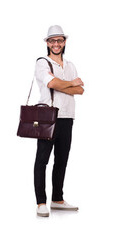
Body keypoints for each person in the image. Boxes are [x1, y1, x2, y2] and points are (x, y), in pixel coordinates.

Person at [33, 25, 84, 217]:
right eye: (52, 41)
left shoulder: (70, 65)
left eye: (59, 40)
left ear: (64, 42)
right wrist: (71, 83)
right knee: (42, 160)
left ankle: (57, 199)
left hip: (67, 116)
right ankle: (40, 202)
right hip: (48, 116)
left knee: (62, 159)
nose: (56, 44)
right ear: (47, 43)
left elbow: (81, 90)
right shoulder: (42, 63)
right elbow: (52, 83)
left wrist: (63, 84)